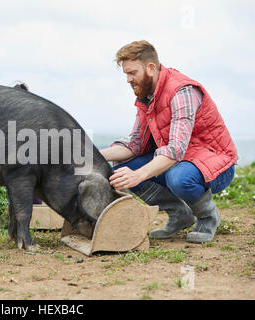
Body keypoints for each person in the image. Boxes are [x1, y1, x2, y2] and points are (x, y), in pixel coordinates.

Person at [100, 40, 238, 243]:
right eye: (126, 74)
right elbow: (135, 145)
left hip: (216, 166)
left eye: (132, 73)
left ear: (151, 67)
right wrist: (91, 153)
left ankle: (208, 217)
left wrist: (138, 175)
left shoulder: (182, 92)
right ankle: (179, 215)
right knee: (122, 168)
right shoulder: (146, 97)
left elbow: (175, 150)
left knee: (178, 177)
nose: (128, 79)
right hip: (180, 161)